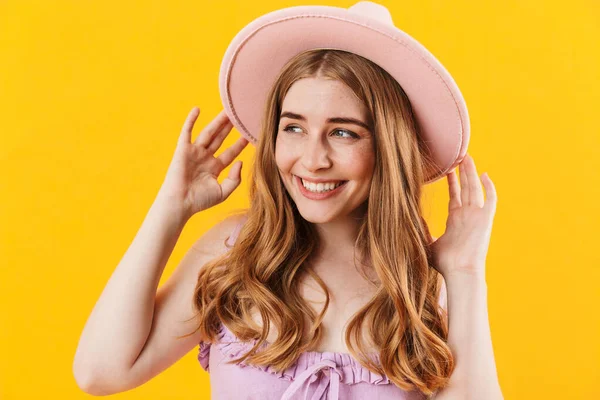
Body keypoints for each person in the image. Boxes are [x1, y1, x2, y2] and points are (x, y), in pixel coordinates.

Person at [73, 2, 503, 399]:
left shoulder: (424, 285)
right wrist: (171, 209)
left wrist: (465, 272)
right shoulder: (234, 255)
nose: (312, 160)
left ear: (386, 149)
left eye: (343, 132)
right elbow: (101, 371)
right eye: (294, 128)